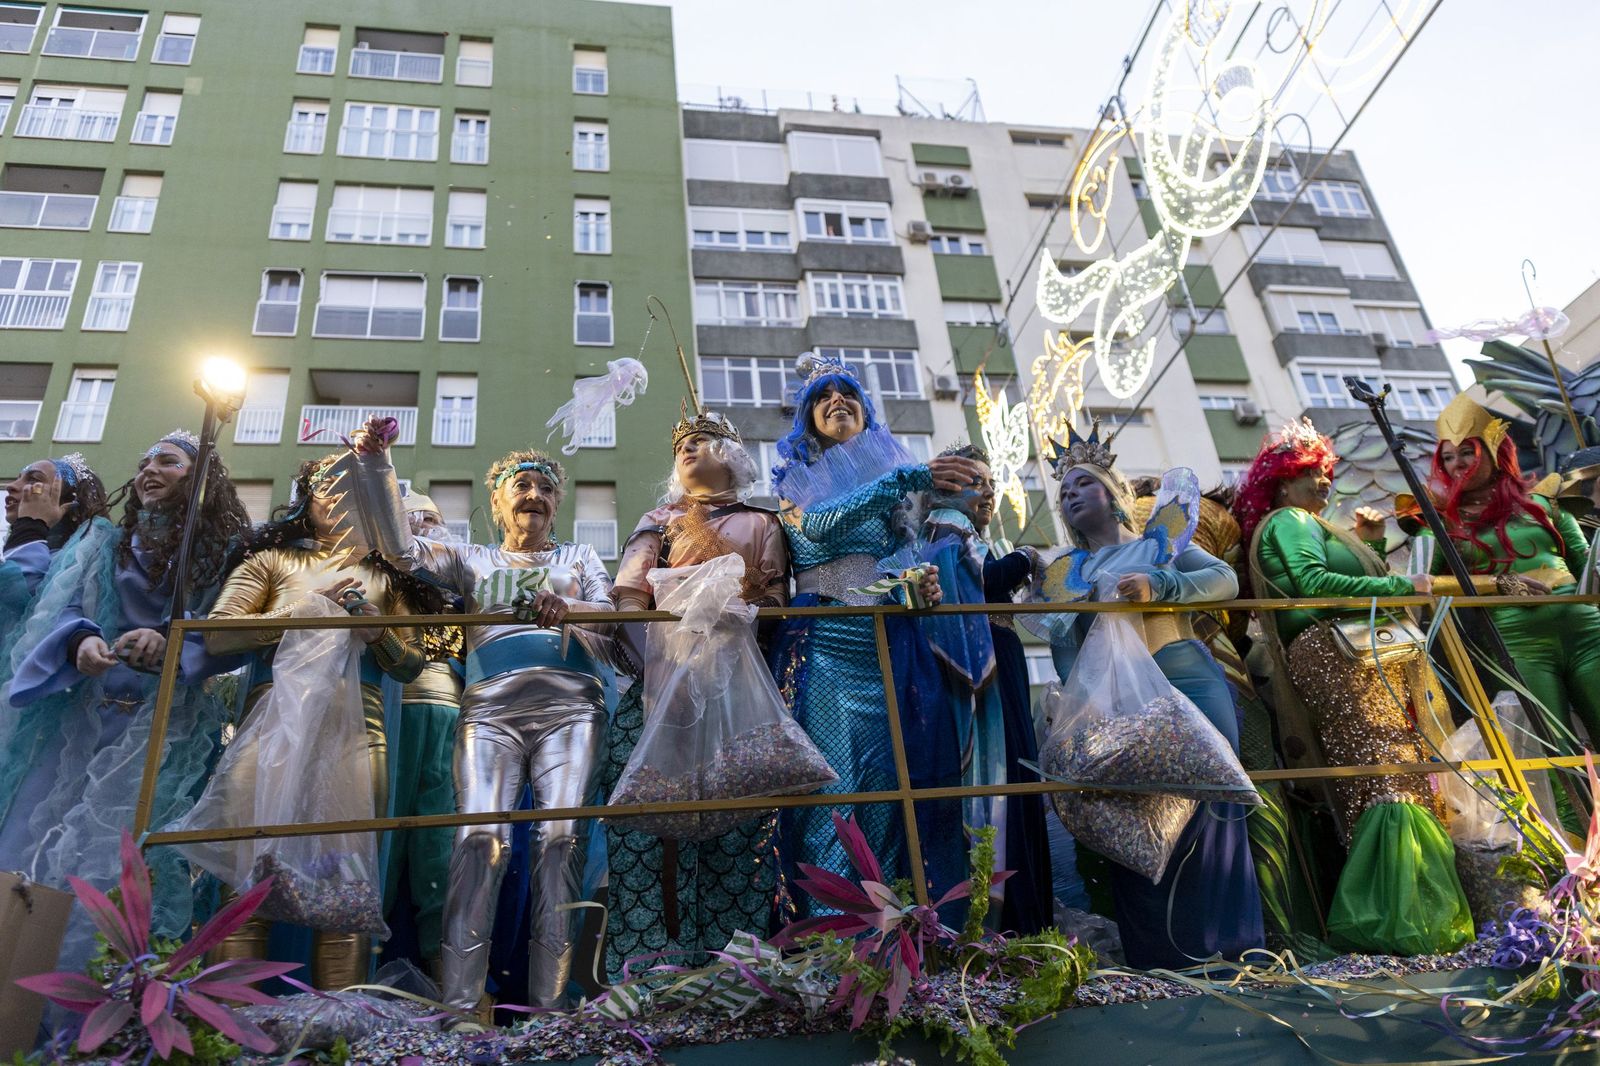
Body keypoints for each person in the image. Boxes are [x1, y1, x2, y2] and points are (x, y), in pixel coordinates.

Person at [339, 431, 616, 1016]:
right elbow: (403, 553)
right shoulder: (473, 559)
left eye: (546, 489)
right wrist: (375, 466)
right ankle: (461, 1007)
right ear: (497, 504)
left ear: (557, 504)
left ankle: (548, 1009)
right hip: (491, 709)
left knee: (560, 842)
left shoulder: (580, 559)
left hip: (571, 707)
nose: (534, 496)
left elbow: (612, 619)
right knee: (478, 841)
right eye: (522, 487)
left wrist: (574, 608)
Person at [0, 431, 251, 969]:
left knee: (125, 861)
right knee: (32, 839)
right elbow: (59, 602)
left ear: (202, 479)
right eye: (143, 461)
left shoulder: (226, 553)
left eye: (168, 461)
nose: (148, 470)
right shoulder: (104, 541)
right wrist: (80, 641)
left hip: (160, 726)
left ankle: (98, 1002)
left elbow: (235, 630)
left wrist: (172, 640)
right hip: (78, 719)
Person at [1237, 418, 1471, 956]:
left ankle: (1404, 913)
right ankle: (1398, 918)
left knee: (1391, 771)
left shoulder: (1309, 521)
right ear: (1280, 480)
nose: (1324, 481)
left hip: (1358, 654)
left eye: (1326, 471)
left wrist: (1367, 545)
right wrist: (1398, 583)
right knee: (1385, 772)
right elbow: (1312, 584)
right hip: (1339, 656)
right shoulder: (1290, 519)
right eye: (1309, 472)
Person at [1035, 422, 1263, 969]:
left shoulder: (1161, 545)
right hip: (1115, 707)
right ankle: (1156, 960)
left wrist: (1160, 585)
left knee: (1210, 810)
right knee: (1132, 823)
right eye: (1064, 491)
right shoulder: (1068, 573)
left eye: (1083, 484)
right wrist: (1081, 709)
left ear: (1113, 494)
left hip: (1188, 683)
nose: (1070, 495)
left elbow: (1226, 582)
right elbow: (1068, 653)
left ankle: (1228, 952)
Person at [201, 455, 434, 988]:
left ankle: (340, 1031)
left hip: (357, 733)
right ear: (306, 497)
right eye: (326, 487)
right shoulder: (272, 561)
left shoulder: (386, 575)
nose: (338, 496)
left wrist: (380, 635)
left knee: (347, 887)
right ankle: (227, 1024)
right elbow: (217, 634)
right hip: (270, 725)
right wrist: (301, 613)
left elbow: (413, 664)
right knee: (244, 879)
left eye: (351, 488)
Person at [768, 352, 975, 913]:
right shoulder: (794, 478)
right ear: (807, 418)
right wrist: (906, 477)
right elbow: (819, 525)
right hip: (826, 642)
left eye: (850, 395)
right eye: (824, 398)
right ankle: (828, 943)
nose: (838, 403)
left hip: (887, 646)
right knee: (831, 794)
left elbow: (896, 563)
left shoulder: (892, 482)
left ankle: (886, 934)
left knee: (888, 792)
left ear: (866, 413)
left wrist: (920, 586)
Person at [601, 408, 787, 976]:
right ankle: (653, 957)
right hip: (665, 685)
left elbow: (776, 604)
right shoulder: (659, 519)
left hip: (736, 684)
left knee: (742, 820)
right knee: (648, 822)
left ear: (731, 454)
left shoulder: (764, 521)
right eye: (681, 443)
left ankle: (737, 960)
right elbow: (630, 596)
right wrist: (661, 666)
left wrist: (738, 605)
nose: (688, 449)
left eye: (703, 441)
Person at [1419, 395, 1600, 748]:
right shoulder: (1439, 522)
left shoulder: (1544, 500)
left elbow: (1585, 561)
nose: (1458, 463)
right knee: (1555, 752)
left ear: (1492, 449)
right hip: (1520, 645)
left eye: (1467, 451)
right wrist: (1497, 583)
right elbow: (1423, 587)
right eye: (1448, 457)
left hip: (1587, 631)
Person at [923, 444, 1052, 934]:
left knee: (1018, 780)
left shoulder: (960, 533)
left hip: (1003, 661)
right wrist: (1025, 556)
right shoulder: (946, 528)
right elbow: (987, 579)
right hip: (985, 672)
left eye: (991, 485)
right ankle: (1008, 922)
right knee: (1004, 784)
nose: (988, 494)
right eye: (975, 481)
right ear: (947, 486)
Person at [0, 455, 109, 846]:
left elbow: (26, 595)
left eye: (34, 480)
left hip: (41, 733)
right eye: (16, 477)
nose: (13, 488)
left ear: (69, 503)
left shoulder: (90, 557)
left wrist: (31, 529)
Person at [380, 491, 466, 978]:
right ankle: (358, 969)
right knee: (380, 837)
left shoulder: (456, 585)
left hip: (448, 709)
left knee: (438, 845)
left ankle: (449, 975)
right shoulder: (382, 576)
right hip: (384, 712)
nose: (426, 527)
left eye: (432, 519)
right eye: (415, 520)